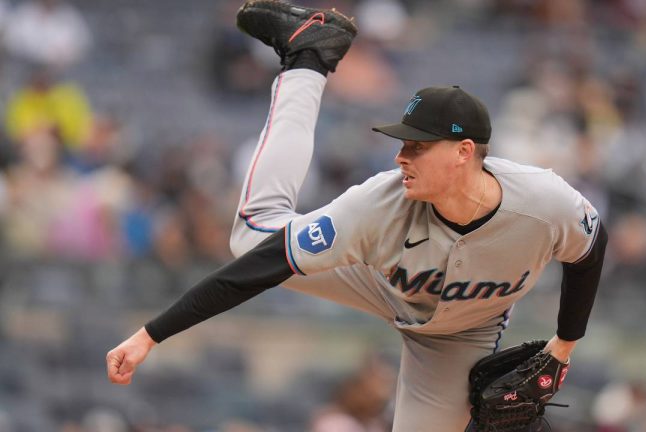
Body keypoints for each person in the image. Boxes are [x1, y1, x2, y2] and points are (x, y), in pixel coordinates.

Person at [106, 2, 609, 431]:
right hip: (374, 275)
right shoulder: (378, 204)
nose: (400, 157)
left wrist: (563, 346)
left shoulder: (543, 202)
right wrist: (152, 334)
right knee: (252, 239)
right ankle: (308, 57)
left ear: (463, 151)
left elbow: (591, 250)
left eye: (416, 146)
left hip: (458, 337)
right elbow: (259, 269)